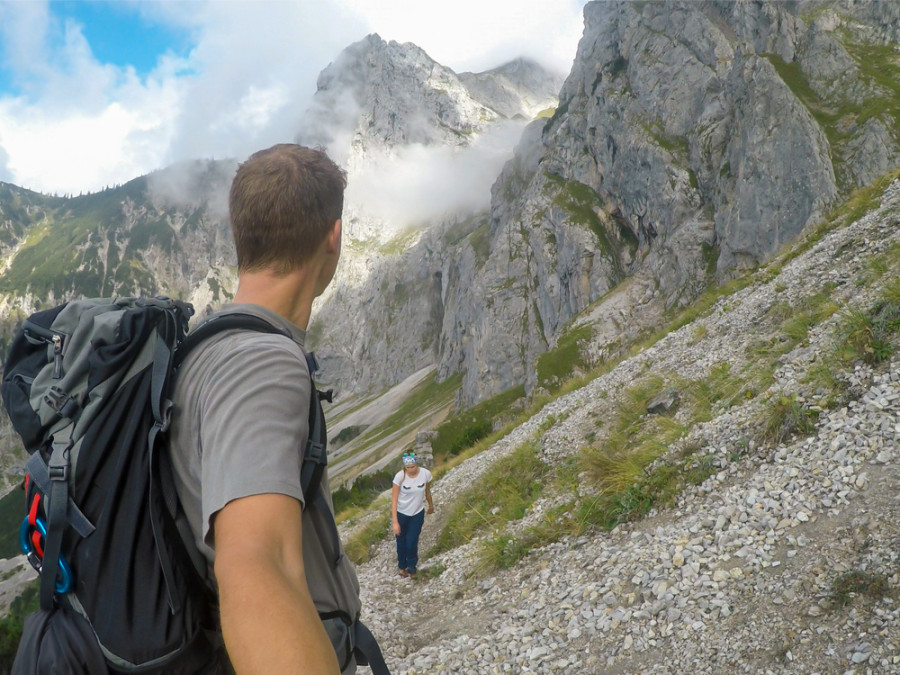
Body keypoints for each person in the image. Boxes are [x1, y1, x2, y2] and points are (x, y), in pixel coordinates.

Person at [169, 144, 371, 674]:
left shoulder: (202, 351)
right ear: (335, 235)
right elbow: (258, 566)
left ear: (242, 237)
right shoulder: (262, 362)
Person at [390, 452, 434, 579]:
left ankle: (412, 567)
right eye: (408, 468)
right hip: (401, 513)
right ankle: (402, 566)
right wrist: (395, 522)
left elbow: (427, 491)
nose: (410, 470)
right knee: (401, 541)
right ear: (405, 467)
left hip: (417, 513)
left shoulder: (425, 474)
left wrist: (431, 505)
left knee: (412, 541)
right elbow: (394, 499)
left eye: (413, 467)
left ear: (416, 464)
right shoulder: (399, 477)